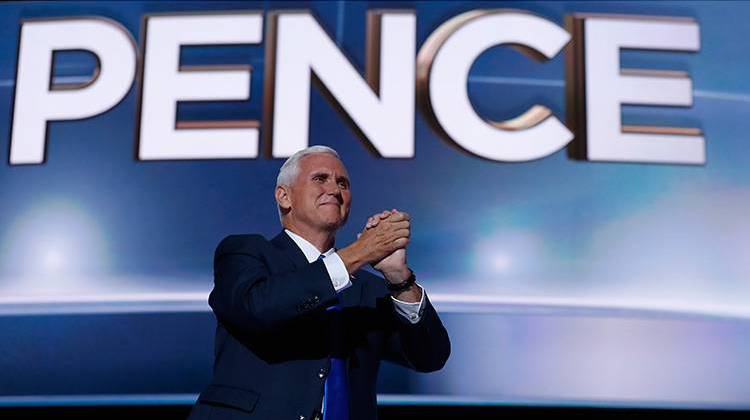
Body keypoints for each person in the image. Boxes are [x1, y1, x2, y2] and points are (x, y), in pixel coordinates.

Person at [187, 145, 450, 420]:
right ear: (284, 196)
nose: (334, 189)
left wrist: (399, 278)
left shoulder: (369, 289)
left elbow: (430, 356)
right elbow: (259, 308)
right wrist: (360, 251)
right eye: (320, 179)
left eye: (342, 183)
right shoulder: (246, 253)